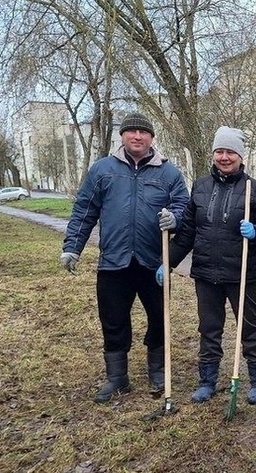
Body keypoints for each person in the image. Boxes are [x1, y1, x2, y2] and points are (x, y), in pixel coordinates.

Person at [60, 112, 188, 403]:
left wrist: (175, 218)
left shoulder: (168, 173)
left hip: (153, 262)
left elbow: (184, 206)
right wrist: (72, 247)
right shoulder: (103, 170)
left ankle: (158, 370)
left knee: (159, 318)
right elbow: (85, 209)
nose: (137, 137)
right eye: (131, 131)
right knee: (114, 320)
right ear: (122, 136)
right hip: (113, 262)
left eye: (143, 132)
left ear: (152, 138)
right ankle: (117, 378)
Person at [156, 126, 256, 405]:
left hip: (242, 272)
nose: (224, 157)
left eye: (230, 152)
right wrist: (168, 262)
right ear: (213, 154)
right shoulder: (200, 186)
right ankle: (207, 380)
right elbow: (187, 233)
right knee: (209, 328)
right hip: (206, 272)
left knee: (249, 327)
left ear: (240, 156)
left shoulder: (253, 190)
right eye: (219, 151)